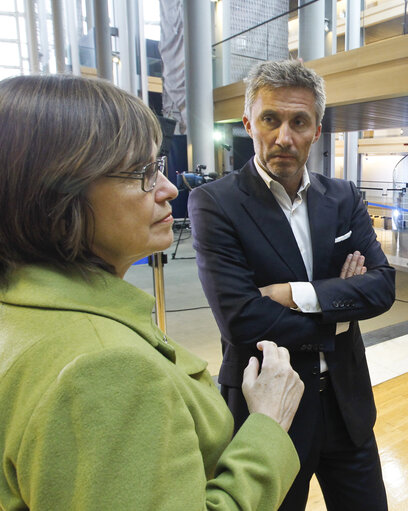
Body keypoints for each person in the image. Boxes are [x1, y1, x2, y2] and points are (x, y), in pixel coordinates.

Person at [0, 74, 305, 510]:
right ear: (57, 194)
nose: (168, 189)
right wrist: (268, 426)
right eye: (142, 173)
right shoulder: (104, 369)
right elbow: (242, 314)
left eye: (158, 166)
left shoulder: (25, 309)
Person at [188, 59, 395, 511]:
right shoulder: (215, 203)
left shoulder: (343, 197)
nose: (284, 137)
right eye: (270, 120)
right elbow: (241, 320)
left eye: (298, 122)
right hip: (267, 413)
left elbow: (381, 288)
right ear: (248, 123)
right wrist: (339, 313)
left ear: (316, 130)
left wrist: (294, 295)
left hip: (347, 406)